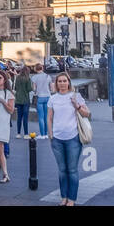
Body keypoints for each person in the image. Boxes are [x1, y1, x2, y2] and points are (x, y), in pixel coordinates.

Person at [47, 71, 91, 206]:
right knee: (62, 170)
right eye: (59, 81)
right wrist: (50, 134)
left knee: (72, 170)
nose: (62, 84)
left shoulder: (75, 96)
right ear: (56, 84)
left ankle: (71, 199)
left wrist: (76, 105)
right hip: (57, 139)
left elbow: (87, 114)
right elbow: (49, 117)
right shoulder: (52, 99)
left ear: (69, 82)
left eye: (64, 81)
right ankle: (64, 197)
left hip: (73, 138)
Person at [31, 64, 52, 139]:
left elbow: (34, 89)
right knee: (47, 116)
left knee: (41, 117)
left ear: (36, 69)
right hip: (48, 97)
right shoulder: (48, 76)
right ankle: (47, 134)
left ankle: (42, 134)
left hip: (40, 97)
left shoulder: (34, 77)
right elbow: (51, 88)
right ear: (42, 68)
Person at [14, 66, 32, 136]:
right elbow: (29, 89)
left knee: (19, 117)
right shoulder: (28, 78)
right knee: (25, 118)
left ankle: (18, 133)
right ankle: (26, 133)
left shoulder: (17, 78)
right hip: (25, 100)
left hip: (18, 99)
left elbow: (15, 88)